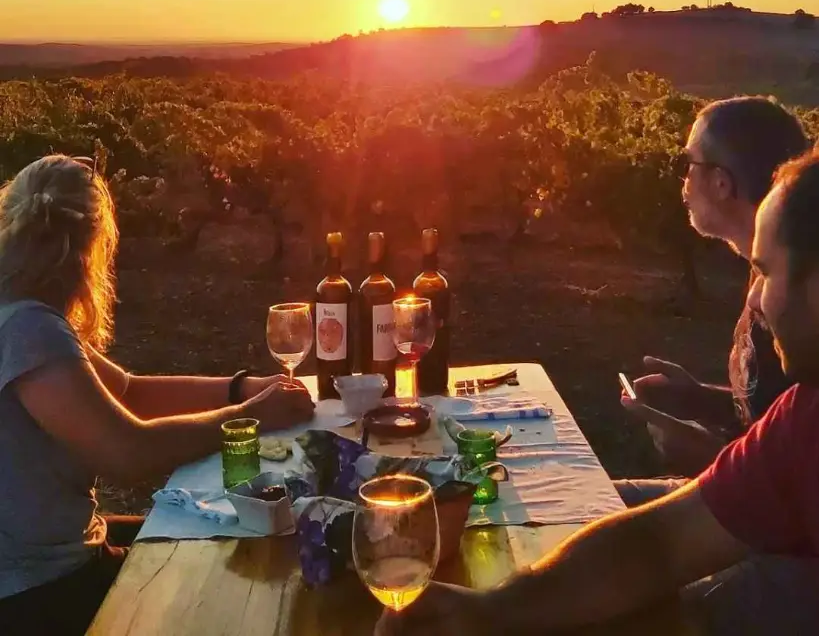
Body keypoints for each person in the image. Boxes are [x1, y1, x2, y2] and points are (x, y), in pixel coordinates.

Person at [377, 149, 819, 635]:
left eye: (768, 273)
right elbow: (661, 541)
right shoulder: (805, 414)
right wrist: (493, 610)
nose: (755, 297)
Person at [0, 155, 315, 636]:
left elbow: (130, 391)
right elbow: (129, 451)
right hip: (38, 596)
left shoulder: (21, 312)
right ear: (91, 247)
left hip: (52, 565)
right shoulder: (26, 328)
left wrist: (242, 387)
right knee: (233, 582)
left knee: (215, 537)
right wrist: (249, 416)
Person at [616, 97, 808, 501]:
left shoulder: (797, 299)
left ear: (722, 183)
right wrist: (699, 396)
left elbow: (800, 484)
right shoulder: (765, 272)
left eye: (691, 165)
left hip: (768, 528)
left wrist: (710, 455)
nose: (683, 179)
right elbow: (775, 413)